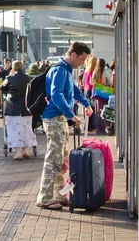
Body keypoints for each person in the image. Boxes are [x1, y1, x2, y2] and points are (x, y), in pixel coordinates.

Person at [36, 42, 93, 210]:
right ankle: (45, 197)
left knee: (61, 159)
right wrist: (71, 114)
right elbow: (57, 95)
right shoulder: (60, 70)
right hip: (54, 118)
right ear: (73, 54)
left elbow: (74, 91)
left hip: (59, 118)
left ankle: (58, 195)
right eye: (81, 59)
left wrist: (86, 103)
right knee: (53, 159)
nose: (82, 63)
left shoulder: (66, 71)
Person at [1, 60, 37, 160]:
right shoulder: (28, 78)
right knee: (26, 128)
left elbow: (2, 87)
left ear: (13, 68)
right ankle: (26, 150)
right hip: (26, 108)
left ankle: (18, 152)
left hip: (13, 107)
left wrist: (9, 76)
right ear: (22, 67)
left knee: (14, 129)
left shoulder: (10, 78)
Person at [90, 58, 113, 134]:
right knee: (105, 110)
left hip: (97, 94)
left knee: (97, 111)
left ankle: (98, 129)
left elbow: (91, 82)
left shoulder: (95, 72)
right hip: (104, 93)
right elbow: (110, 82)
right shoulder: (106, 72)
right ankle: (104, 128)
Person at [83, 56, 98, 132]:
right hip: (90, 90)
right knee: (91, 108)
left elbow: (84, 82)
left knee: (87, 108)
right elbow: (91, 82)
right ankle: (91, 126)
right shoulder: (92, 72)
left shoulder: (86, 71)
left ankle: (87, 126)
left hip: (86, 90)